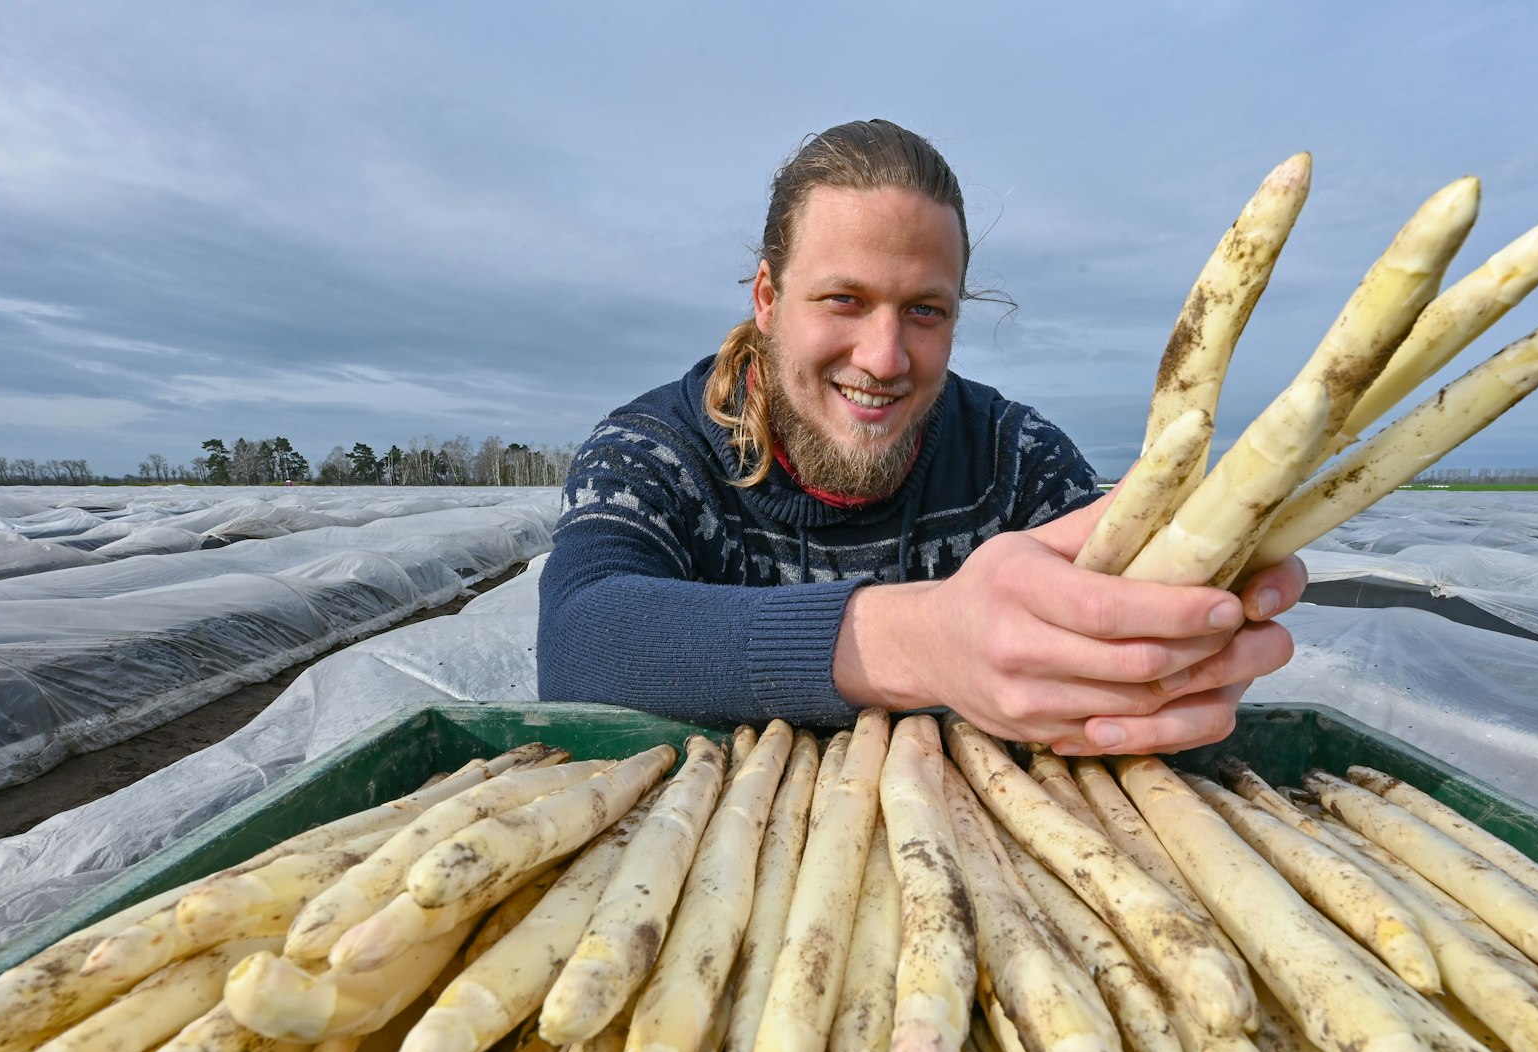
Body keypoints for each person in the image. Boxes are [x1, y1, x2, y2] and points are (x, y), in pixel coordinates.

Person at [538, 119, 1305, 755]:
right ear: (768, 298)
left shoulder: (1019, 463)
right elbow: (580, 639)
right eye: (844, 299)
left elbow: (1123, 651)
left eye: (925, 311)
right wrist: (921, 641)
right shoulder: (653, 451)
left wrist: (1174, 658)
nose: (884, 356)